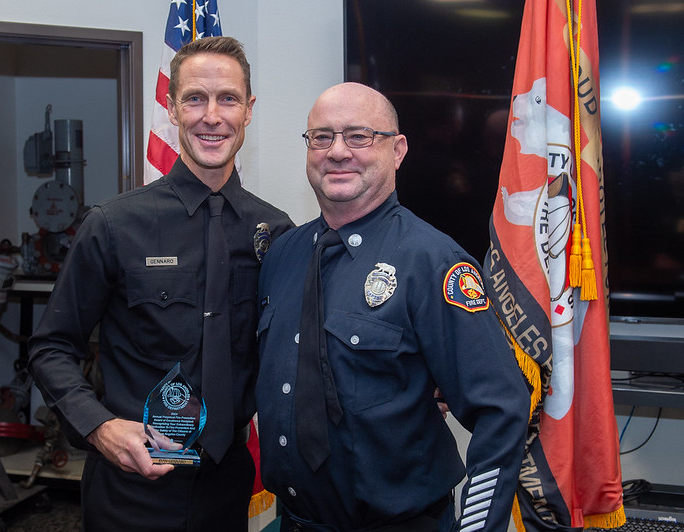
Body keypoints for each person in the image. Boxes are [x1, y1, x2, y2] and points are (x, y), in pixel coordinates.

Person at [28, 36, 293, 531]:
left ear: (249, 110)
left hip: (228, 483)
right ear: (171, 109)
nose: (211, 116)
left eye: (228, 99)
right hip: (132, 488)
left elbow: (297, 349)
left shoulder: (276, 233)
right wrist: (99, 426)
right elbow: (50, 348)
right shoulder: (112, 225)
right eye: (195, 98)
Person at [255, 82, 530, 532]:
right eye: (321, 137)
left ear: (398, 150)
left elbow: (502, 408)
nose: (338, 151)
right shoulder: (283, 254)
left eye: (359, 136)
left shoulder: (432, 261)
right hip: (298, 521)